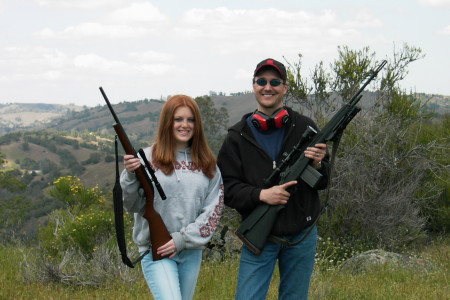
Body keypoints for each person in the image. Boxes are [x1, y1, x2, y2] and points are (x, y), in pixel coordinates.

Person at [217, 58, 330, 300]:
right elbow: (227, 189)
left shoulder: (305, 127)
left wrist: (318, 163)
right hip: (260, 234)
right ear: (254, 85)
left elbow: (322, 181)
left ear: (285, 88)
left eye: (275, 82)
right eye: (262, 81)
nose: (268, 87)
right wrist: (262, 195)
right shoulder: (237, 136)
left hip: (302, 234)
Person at [121, 95, 224, 300]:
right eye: (178, 119)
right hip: (156, 250)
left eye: (190, 120)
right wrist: (130, 175)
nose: (185, 125)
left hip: (191, 250)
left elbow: (214, 210)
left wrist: (182, 239)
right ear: (168, 122)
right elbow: (131, 205)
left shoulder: (208, 164)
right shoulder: (145, 159)